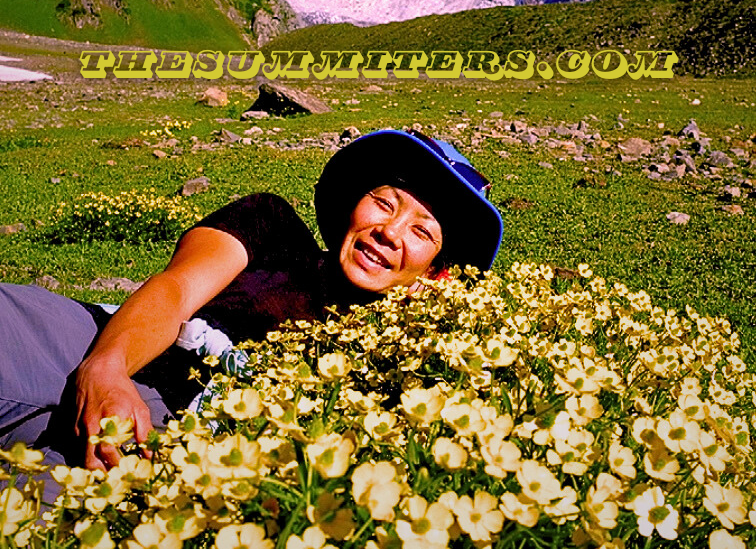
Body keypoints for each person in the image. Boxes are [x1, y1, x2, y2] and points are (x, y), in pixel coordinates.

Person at [0, 128, 502, 479]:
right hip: (109, 346)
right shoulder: (272, 225)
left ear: (436, 272)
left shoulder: (405, 356)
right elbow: (176, 290)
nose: (389, 232)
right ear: (354, 202)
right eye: (384, 202)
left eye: (421, 231)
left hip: (181, 445)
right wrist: (106, 368)